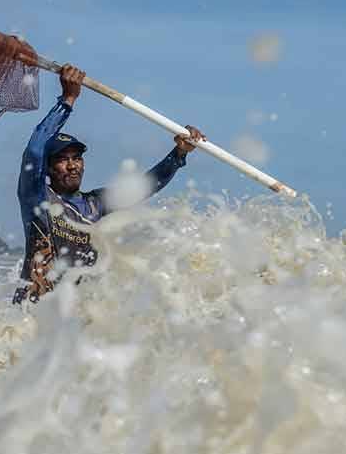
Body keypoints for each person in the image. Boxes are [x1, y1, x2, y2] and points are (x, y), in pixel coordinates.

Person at [13, 64, 205, 303]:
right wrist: (68, 100)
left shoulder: (95, 204)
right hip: (30, 314)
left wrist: (179, 154)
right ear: (48, 168)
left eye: (77, 158)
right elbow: (35, 149)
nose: (72, 166)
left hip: (71, 317)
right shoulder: (37, 196)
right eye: (62, 160)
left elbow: (146, 187)